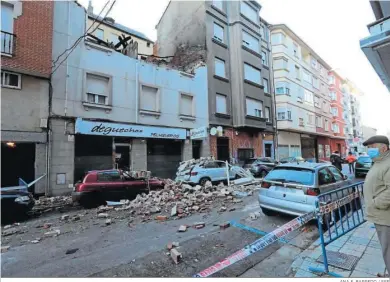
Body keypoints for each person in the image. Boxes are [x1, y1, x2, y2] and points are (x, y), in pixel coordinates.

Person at [362, 135, 390, 276]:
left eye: (372, 147)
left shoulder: (387, 163)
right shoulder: (379, 162)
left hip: (385, 217)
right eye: (368, 148)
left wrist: (375, 203)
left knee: (388, 250)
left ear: (383, 148)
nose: (369, 150)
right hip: (381, 216)